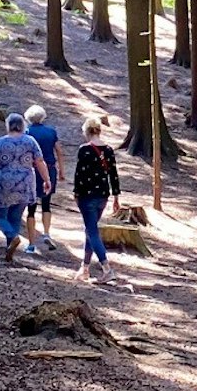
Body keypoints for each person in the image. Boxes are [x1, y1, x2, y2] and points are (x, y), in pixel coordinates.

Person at [0, 112, 49, 264]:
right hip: (24, 184)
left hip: (2, 184)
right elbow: (40, 161)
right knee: (15, 217)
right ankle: (10, 249)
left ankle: (11, 239)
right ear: (22, 126)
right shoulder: (30, 141)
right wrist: (46, 179)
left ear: (8, 126)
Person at [72, 115, 124, 281]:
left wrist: (76, 193)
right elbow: (113, 175)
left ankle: (106, 268)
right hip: (103, 195)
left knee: (91, 231)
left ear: (86, 131)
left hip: (87, 196)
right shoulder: (108, 150)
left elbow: (79, 174)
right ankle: (85, 268)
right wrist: (116, 196)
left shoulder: (84, 149)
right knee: (90, 230)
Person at [24, 104, 62, 254]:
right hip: (50, 169)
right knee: (46, 204)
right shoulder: (51, 132)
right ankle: (46, 233)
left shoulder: (27, 132)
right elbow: (59, 150)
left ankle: (32, 244)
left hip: (32, 171)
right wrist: (62, 171)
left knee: (31, 207)